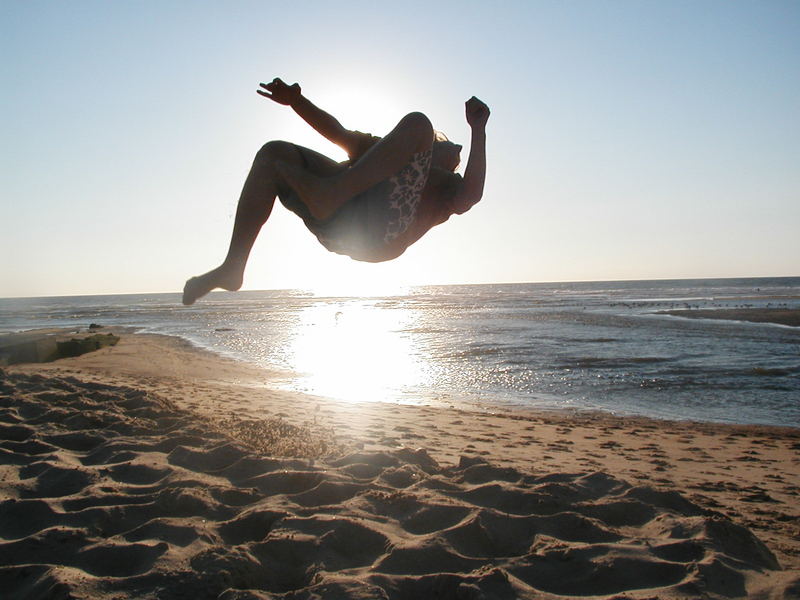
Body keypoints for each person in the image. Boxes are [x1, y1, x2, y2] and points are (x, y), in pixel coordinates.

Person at [182, 77, 490, 305]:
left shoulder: (446, 185)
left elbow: (471, 195)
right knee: (272, 155)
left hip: (382, 234)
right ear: (432, 149)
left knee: (419, 122)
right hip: (338, 227)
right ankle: (233, 265)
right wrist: (296, 102)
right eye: (451, 143)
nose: (458, 147)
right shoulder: (385, 151)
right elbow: (338, 132)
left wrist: (478, 130)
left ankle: (330, 194)